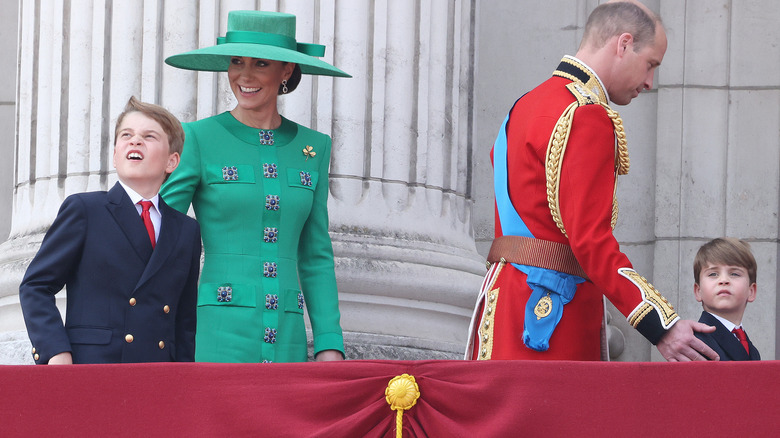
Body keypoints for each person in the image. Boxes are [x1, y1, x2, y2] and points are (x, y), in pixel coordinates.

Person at [466, 0, 719, 361]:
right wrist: (661, 326)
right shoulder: (587, 116)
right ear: (623, 44)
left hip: (502, 301)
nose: (649, 82)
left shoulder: (525, 104)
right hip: (550, 314)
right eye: (651, 65)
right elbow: (591, 240)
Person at [161, 10, 348, 363]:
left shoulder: (314, 147)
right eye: (236, 62)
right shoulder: (198, 138)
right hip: (215, 334)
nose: (244, 76)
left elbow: (315, 255)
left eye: (260, 64)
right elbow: (163, 236)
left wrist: (328, 341)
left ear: (286, 71)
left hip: (288, 340)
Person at [19, 97, 201, 364]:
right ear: (116, 155)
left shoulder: (186, 229)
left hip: (159, 374)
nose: (135, 141)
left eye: (149, 136)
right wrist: (56, 351)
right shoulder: (85, 210)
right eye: (126, 135)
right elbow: (36, 286)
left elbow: (184, 321)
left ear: (172, 162)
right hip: (93, 368)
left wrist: (184, 383)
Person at [692, 238, 761, 361]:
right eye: (713, 274)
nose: (723, 280)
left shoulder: (752, 350)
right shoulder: (695, 343)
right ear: (698, 291)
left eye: (734, 274)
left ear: (751, 291)